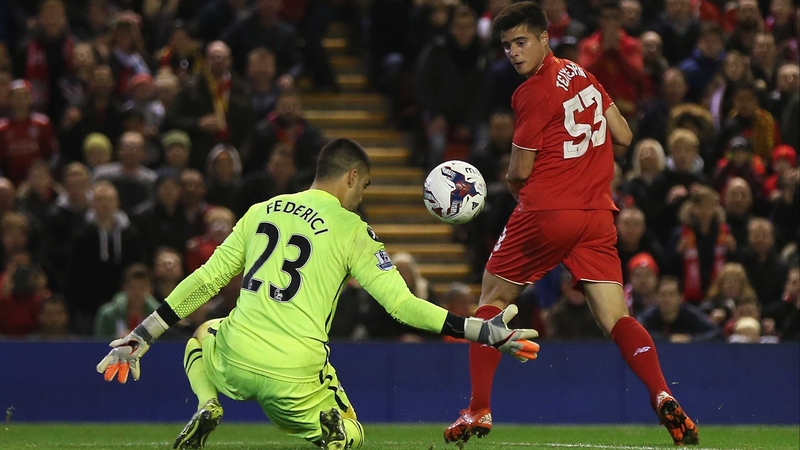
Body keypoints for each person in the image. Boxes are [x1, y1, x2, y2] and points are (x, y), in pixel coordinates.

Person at [95, 138, 540, 450]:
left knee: (204, 332)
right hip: (295, 373)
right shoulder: (353, 229)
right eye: (364, 186)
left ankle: (208, 403)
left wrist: (142, 334)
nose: (362, 197)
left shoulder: (260, 211)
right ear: (351, 177)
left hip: (235, 355)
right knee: (354, 433)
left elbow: (207, 280)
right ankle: (337, 433)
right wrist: (480, 331)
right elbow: (403, 307)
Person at [444, 3, 699, 447]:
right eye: (507, 46)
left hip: (546, 211)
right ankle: (661, 393)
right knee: (616, 317)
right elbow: (624, 135)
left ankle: (478, 408)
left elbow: (520, 171)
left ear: (544, 38)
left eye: (521, 42)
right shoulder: (582, 73)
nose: (513, 52)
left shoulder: (531, 92)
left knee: (493, 298)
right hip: (596, 216)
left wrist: (513, 190)